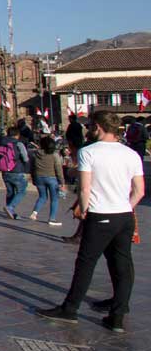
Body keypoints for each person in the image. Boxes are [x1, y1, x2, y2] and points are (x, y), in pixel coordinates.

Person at [37, 110, 145, 332]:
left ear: (98, 127)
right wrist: (126, 207)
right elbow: (139, 191)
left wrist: (85, 210)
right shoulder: (131, 154)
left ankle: (70, 309)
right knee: (122, 264)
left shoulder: (89, 152)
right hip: (125, 216)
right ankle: (117, 316)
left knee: (86, 263)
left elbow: (85, 188)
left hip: (100, 214)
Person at [29, 134, 65, 226]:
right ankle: (52, 218)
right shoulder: (54, 155)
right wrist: (62, 182)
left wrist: (33, 178)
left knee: (42, 197)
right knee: (54, 199)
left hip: (39, 177)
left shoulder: (35, 154)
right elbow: (58, 169)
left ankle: (35, 212)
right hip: (52, 178)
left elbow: (32, 167)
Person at [0, 126, 30, 219]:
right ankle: (10, 207)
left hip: (4, 170)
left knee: (10, 192)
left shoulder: (1, 142)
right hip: (16, 170)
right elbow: (26, 158)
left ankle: (10, 212)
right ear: (17, 135)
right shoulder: (18, 144)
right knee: (22, 190)